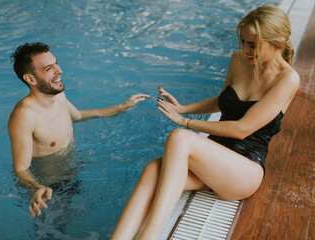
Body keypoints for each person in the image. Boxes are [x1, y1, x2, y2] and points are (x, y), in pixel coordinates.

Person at [111, 4, 299, 239]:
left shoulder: (287, 79)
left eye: (252, 45)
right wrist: (183, 109)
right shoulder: (239, 60)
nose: (245, 49)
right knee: (152, 170)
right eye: (243, 42)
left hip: (244, 170)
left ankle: (150, 234)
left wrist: (185, 122)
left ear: (277, 41)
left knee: (180, 138)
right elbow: (225, 101)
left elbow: (242, 129)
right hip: (214, 161)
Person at [8, 42, 149, 217]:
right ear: (30, 79)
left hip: (74, 169)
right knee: (56, 229)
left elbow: (79, 116)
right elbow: (20, 169)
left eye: (56, 63)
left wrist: (121, 107)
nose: (59, 71)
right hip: (51, 188)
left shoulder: (57, 94)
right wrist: (37, 188)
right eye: (48, 68)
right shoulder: (24, 116)